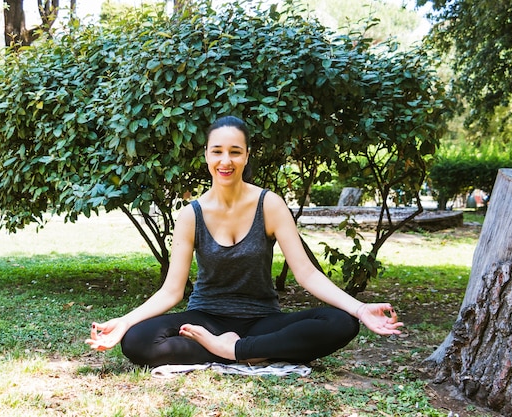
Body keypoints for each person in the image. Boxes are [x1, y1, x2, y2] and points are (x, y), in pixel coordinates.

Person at [86, 115, 403, 366]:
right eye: (218, 151)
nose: (226, 161)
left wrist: (360, 309)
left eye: (235, 152)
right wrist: (125, 323)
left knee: (340, 323)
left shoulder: (270, 205)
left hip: (262, 320)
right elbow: (172, 290)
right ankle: (247, 351)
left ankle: (235, 349)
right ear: (206, 155)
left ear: (247, 155)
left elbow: (306, 274)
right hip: (206, 319)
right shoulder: (191, 215)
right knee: (137, 341)